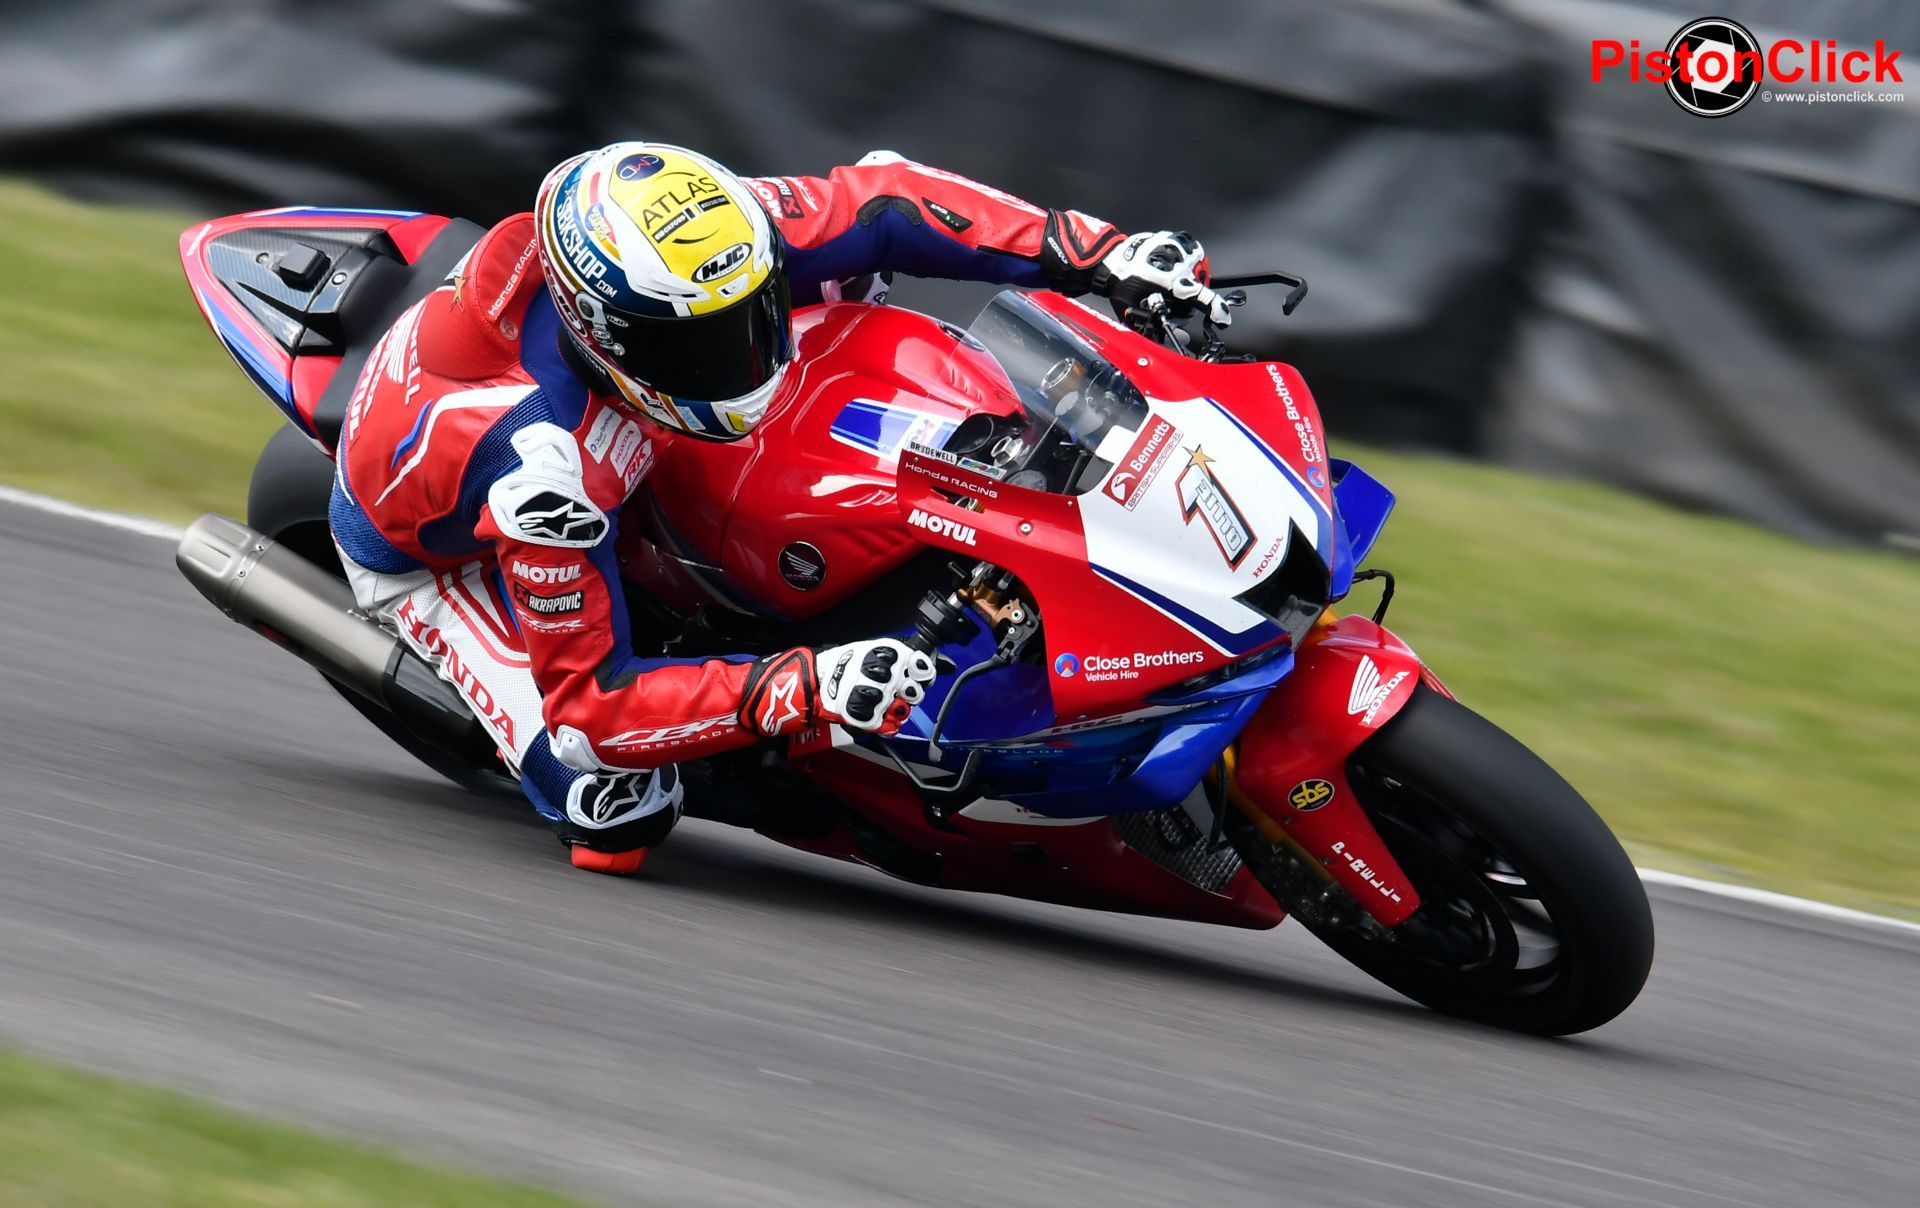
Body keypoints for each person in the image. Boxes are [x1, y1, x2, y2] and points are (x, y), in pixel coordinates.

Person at [328, 141, 1229, 874]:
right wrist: (802, 688)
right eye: (711, 346)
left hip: (629, 426)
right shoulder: (540, 474)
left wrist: (1097, 253)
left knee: (849, 274)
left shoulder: (709, 243)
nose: (753, 354)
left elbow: (888, 200)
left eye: (753, 315)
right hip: (444, 557)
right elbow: (595, 703)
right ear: (612, 341)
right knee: (613, 802)